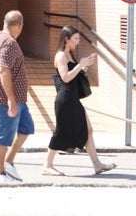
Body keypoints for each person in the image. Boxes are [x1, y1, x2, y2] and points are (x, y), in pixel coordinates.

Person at [42, 25, 117, 176]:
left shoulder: (70, 54)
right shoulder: (61, 56)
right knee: (61, 132)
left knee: (88, 129)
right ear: (66, 39)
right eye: (75, 39)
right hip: (65, 100)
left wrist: (85, 66)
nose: (77, 42)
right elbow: (65, 77)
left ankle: (97, 164)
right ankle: (47, 165)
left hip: (73, 99)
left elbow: (75, 75)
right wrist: (80, 65)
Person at [0, 10, 35, 183]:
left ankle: (8, 161)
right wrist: (10, 99)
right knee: (3, 136)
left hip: (17, 98)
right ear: (20, 25)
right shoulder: (9, 43)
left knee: (27, 128)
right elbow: (3, 70)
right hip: (8, 99)